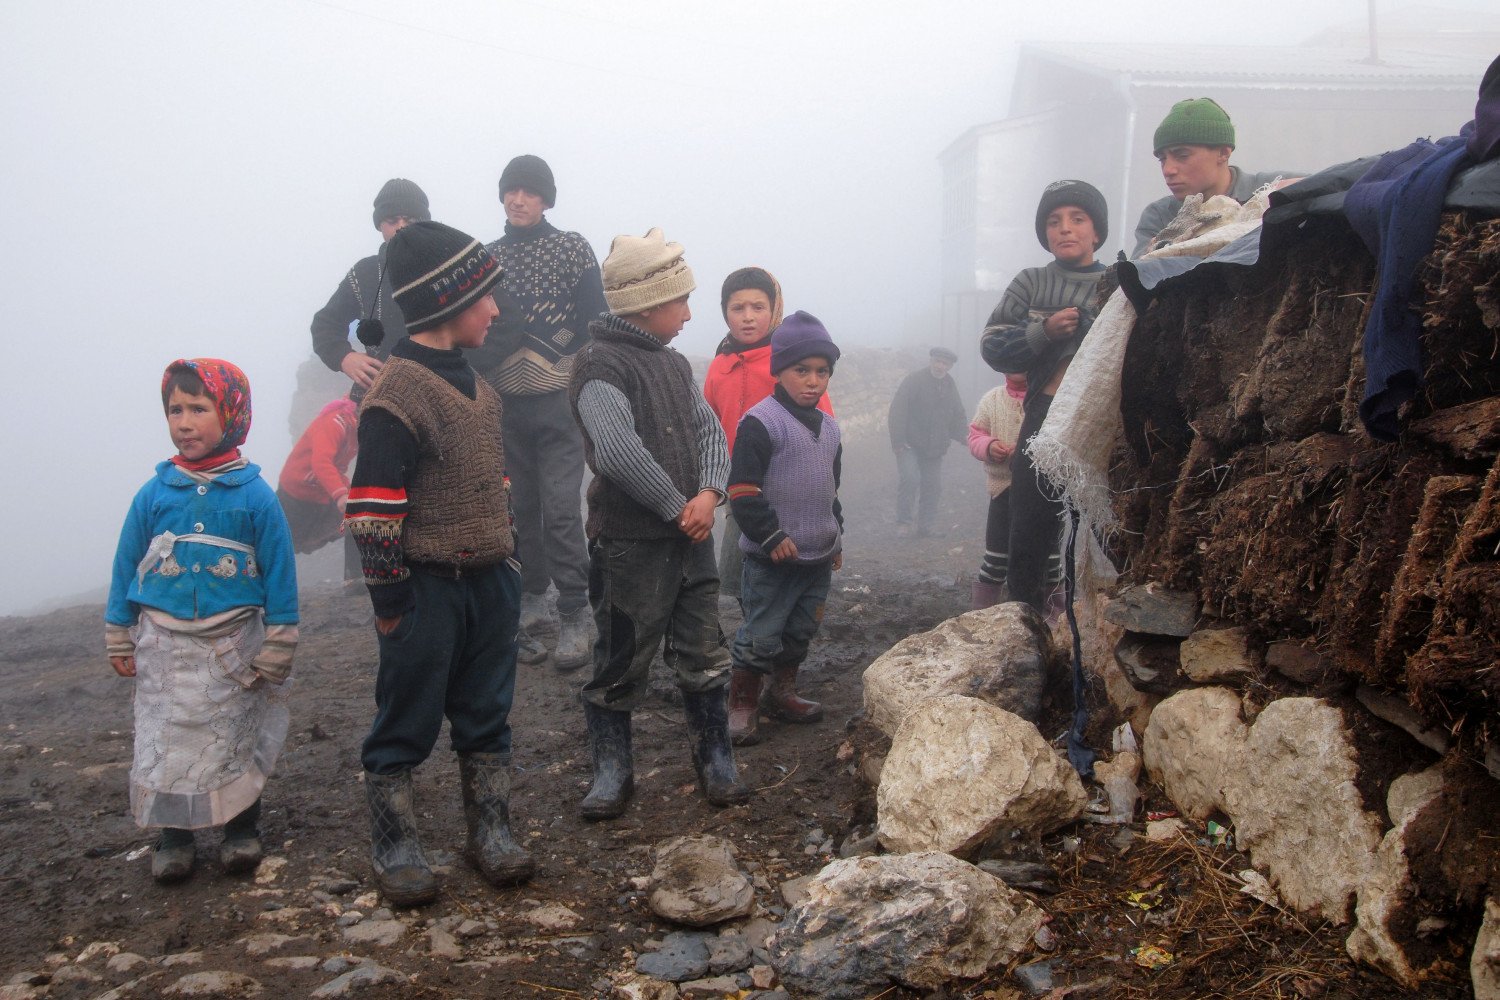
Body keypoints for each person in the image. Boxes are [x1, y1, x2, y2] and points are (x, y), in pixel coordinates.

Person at [343, 221, 532, 906]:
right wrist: (392, 603)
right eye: (487, 297)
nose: (496, 310)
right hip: (426, 590)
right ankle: (394, 842)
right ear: (449, 304)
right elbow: (371, 511)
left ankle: (491, 830)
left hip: (488, 583)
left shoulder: (483, 390)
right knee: (407, 716)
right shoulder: (396, 394)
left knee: (487, 713)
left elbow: (494, 482)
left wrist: (509, 561)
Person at [568, 227, 749, 820]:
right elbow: (617, 451)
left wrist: (710, 491)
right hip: (631, 545)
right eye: (681, 301)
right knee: (623, 655)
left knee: (704, 650)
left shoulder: (671, 365)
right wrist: (679, 506)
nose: (691, 313)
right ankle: (611, 770)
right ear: (646, 305)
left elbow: (708, 431)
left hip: (688, 541)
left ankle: (715, 758)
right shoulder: (600, 364)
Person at [105, 359, 298, 884]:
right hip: (163, 644)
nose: (184, 421)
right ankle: (175, 836)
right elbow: (127, 562)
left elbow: (279, 567)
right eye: (174, 409)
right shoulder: (154, 494)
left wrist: (281, 638)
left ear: (230, 413)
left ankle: (240, 827)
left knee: (231, 735)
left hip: (233, 645)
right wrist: (117, 631)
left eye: (198, 408)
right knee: (166, 741)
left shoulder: (254, 495)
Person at [471, 155, 607, 672]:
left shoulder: (572, 248)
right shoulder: (486, 258)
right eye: (510, 191)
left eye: (529, 191)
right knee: (520, 506)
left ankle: (575, 609)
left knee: (560, 507)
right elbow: (476, 324)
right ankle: (531, 596)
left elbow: (595, 317)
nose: (518, 199)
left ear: (546, 199)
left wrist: (583, 373)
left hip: (559, 400)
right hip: (504, 403)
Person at [980, 180, 1109, 613]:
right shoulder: (1031, 283)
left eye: (1078, 219)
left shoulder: (1116, 282)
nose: (1065, 229)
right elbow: (992, 346)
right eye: (1054, 222)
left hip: (1104, 418)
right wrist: (1043, 332)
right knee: (1030, 525)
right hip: (1044, 414)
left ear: (1097, 231)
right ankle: (1024, 622)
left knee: (1112, 518)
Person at [724, 312, 843, 746]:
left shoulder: (830, 428)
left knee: (800, 631)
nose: (813, 381)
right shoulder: (761, 422)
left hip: (817, 558)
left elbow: (831, 489)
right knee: (761, 634)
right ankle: (742, 705)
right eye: (802, 370)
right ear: (779, 370)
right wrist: (771, 535)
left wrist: (837, 534)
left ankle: (784, 692)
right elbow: (742, 491)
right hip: (771, 559)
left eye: (822, 371)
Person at [702, 267, 833, 601]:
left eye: (758, 307)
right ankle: (753, 635)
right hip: (741, 485)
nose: (748, 317)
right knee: (739, 576)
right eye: (738, 308)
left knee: (781, 570)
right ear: (724, 312)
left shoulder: (791, 363)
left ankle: (767, 634)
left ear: (774, 309)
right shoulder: (720, 366)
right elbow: (708, 426)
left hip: (789, 483)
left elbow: (822, 423)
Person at [310, 178, 431, 399]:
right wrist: (344, 357)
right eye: (392, 220)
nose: (402, 226)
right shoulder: (365, 273)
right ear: (379, 226)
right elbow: (325, 324)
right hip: (380, 400)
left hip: (440, 399)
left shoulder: (446, 265)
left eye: (411, 219)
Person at [1132, 99, 1299, 256]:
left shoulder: (1272, 190)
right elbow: (1137, 277)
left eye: (1182, 155)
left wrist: (1286, 197)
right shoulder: (1160, 216)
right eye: (1162, 159)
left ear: (1223, 153)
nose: (1168, 169)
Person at [887, 346, 967, 538]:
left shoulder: (949, 385)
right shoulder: (914, 380)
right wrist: (898, 441)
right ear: (931, 360)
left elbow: (957, 414)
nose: (940, 366)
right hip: (909, 443)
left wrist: (964, 436)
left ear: (950, 366)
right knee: (910, 478)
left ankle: (926, 526)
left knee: (933, 485)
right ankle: (903, 523)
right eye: (938, 361)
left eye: (945, 363)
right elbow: (898, 410)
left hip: (935, 447)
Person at [276, 397, 359, 580]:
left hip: (322, 492)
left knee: (358, 518)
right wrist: (341, 494)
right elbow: (321, 462)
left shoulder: (357, 427)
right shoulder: (335, 421)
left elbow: (338, 467)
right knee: (279, 543)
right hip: (297, 492)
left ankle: (355, 578)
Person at [966, 373, 1028, 609]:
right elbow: (976, 435)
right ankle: (982, 612)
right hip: (1002, 490)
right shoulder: (992, 400)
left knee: (1047, 560)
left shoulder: (1047, 397)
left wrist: (1023, 450)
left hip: (1041, 492)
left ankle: (1052, 614)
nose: (1017, 367)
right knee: (995, 558)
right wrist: (989, 446)